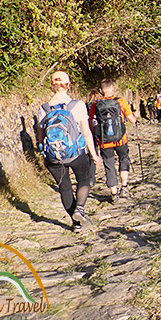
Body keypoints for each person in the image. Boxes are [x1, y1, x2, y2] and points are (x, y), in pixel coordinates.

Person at [38, 71, 101, 232]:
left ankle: (76, 224)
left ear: (52, 86)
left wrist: (44, 153)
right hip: (75, 153)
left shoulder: (43, 108)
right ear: (68, 85)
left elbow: (40, 136)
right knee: (84, 179)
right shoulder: (77, 105)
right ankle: (80, 208)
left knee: (64, 187)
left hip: (53, 156)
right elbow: (86, 132)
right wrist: (93, 154)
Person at [88, 78, 138, 202]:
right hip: (121, 139)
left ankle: (114, 194)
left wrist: (95, 136)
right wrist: (136, 115)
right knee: (124, 159)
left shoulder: (95, 104)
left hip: (104, 141)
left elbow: (91, 122)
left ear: (101, 90)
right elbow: (132, 120)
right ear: (113, 88)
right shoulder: (121, 102)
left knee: (109, 164)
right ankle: (124, 187)